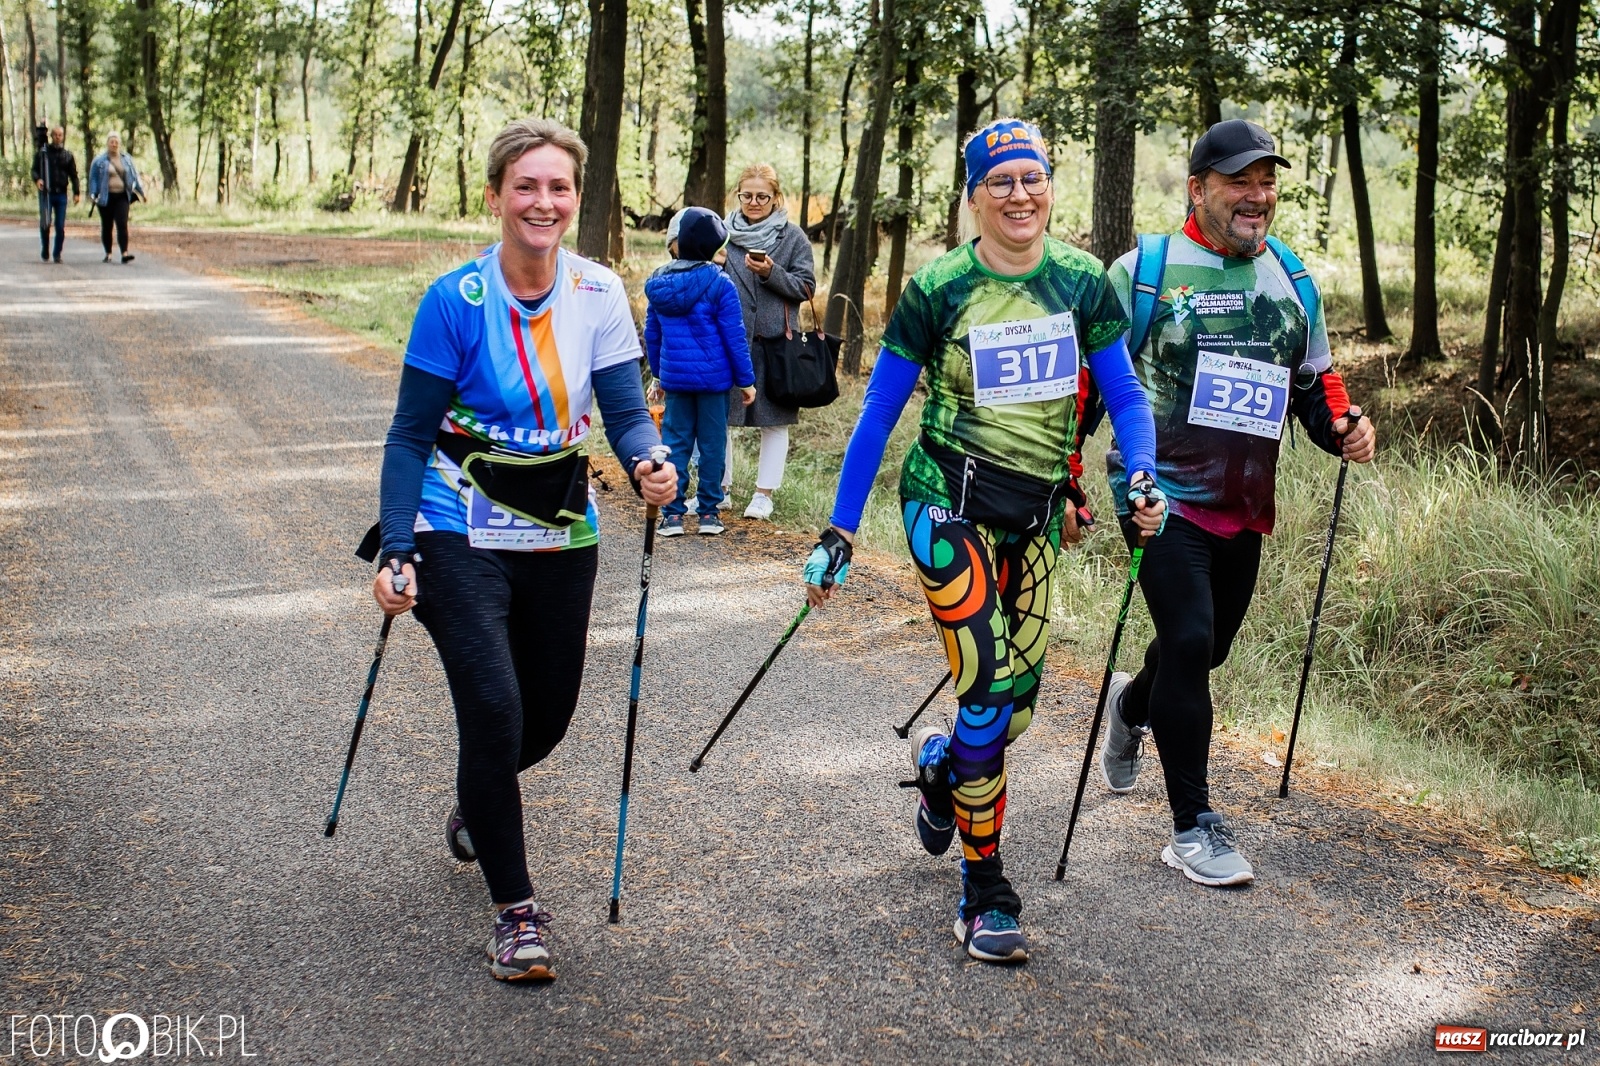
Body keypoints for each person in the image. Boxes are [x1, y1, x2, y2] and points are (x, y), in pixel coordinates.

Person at [804, 118, 1166, 964]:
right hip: (946, 506)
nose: (1018, 195)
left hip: (1033, 519)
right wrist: (840, 529)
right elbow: (878, 415)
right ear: (973, 197)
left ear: (1050, 186)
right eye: (999, 181)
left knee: (1014, 715)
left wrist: (1137, 476)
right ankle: (985, 889)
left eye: (1031, 177)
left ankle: (941, 770)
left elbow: (1127, 396)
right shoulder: (940, 288)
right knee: (987, 695)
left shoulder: (1081, 282)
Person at [369, 117, 676, 982]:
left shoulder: (600, 293)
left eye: (559, 188)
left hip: (557, 520)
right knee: (496, 710)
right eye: (527, 186)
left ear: (575, 200)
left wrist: (651, 458)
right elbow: (407, 435)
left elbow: (623, 408)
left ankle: (479, 799)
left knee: (546, 717)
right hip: (453, 517)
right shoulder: (455, 301)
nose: (543, 202)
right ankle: (517, 911)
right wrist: (398, 548)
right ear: (498, 195)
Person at [1096, 118, 1376, 887]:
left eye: (1266, 182)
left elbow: (1315, 385)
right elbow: (1096, 383)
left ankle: (1132, 706)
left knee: (1205, 649)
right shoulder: (1144, 272)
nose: (1257, 197)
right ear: (1198, 188)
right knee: (1189, 639)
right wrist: (1059, 475)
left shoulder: (1290, 275)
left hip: (1245, 503)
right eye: (1238, 182)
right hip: (1158, 494)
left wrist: (1344, 428)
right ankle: (1193, 827)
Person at [644, 206, 756, 536]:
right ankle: (709, 513)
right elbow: (734, 337)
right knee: (712, 445)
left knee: (675, 444)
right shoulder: (720, 285)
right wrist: (746, 381)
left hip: (676, 380)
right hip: (714, 381)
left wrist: (659, 375)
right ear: (713, 248)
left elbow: (653, 334)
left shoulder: (658, 283)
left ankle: (673, 515)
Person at [721, 163, 817, 521]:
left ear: (776, 197)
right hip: (730, 341)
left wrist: (771, 273)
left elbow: (807, 288)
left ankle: (764, 495)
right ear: (738, 195)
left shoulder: (793, 238)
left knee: (774, 421)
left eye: (763, 196)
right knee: (721, 416)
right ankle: (720, 489)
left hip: (777, 344)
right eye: (747, 195)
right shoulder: (723, 234)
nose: (754, 202)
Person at [88, 132, 145, 264]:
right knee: (107, 226)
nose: (114, 144)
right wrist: (93, 193)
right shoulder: (99, 161)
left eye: (116, 142)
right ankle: (108, 253)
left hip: (122, 196)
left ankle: (124, 253)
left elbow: (135, 176)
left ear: (119, 144)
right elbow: (94, 179)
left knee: (122, 224)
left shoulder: (127, 159)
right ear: (107, 143)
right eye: (111, 142)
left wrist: (142, 192)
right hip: (105, 197)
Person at [31, 127, 80, 264]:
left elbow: (74, 175)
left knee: (60, 225)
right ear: (51, 136)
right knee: (45, 223)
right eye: (56, 135)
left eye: (60, 135)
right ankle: (45, 248)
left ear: (63, 136)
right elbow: (34, 170)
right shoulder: (43, 154)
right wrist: (37, 179)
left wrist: (77, 192)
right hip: (46, 193)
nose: (58, 137)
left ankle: (57, 253)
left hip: (61, 195)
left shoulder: (68, 155)